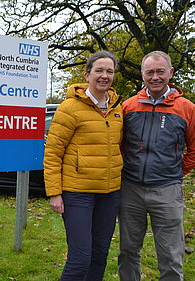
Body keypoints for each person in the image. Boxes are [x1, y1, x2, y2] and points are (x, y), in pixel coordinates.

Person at [119, 51, 195, 281]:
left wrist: (176, 171)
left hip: (167, 190)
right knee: (128, 251)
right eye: (150, 72)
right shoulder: (128, 106)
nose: (155, 77)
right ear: (142, 74)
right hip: (131, 189)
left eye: (160, 71)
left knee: (170, 255)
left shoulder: (186, 108)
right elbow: (118, 145)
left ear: (170, 73)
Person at [44, 50, 123, 280]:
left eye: (109, 71)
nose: (104, 76)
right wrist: (54, 193)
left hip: (109, 194)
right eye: (99, 70)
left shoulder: (117, 108)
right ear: (87, 74)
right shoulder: (69, 108)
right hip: (77, 194)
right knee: (80, 260)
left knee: (100, 256)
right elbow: (53, 152)